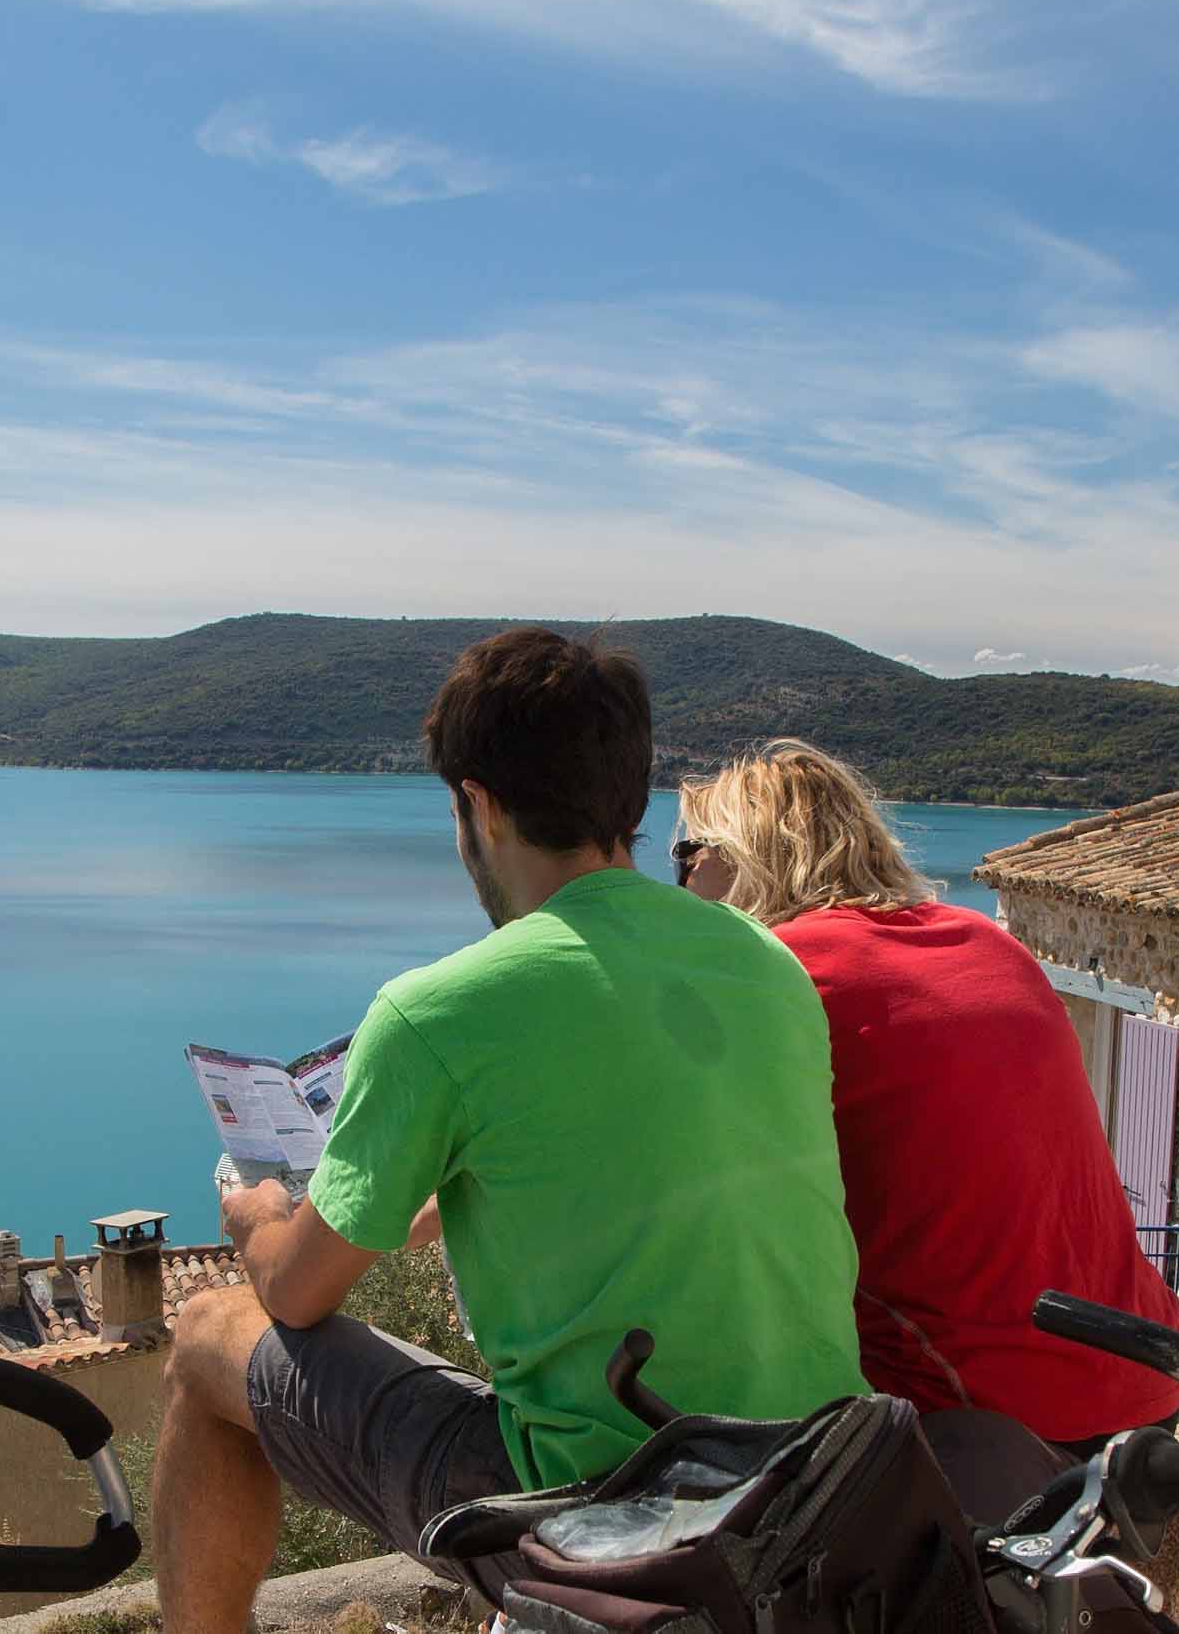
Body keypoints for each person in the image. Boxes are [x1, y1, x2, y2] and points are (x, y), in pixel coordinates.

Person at [153, 631, 867, 1634]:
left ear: (477, 806)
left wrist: (260, 1218)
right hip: (809, 1477)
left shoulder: (437, 1010)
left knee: (204, 1336)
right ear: (626, 794)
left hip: (601, 1509)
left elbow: (299, 1292)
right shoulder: (762, 963)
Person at [674, 739, 1179, 1449]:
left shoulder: (785, 972)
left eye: (688, 853)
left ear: (741, 853)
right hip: (1143, 1375)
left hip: (980, 1414)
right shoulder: (985, 943)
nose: (685, 878)